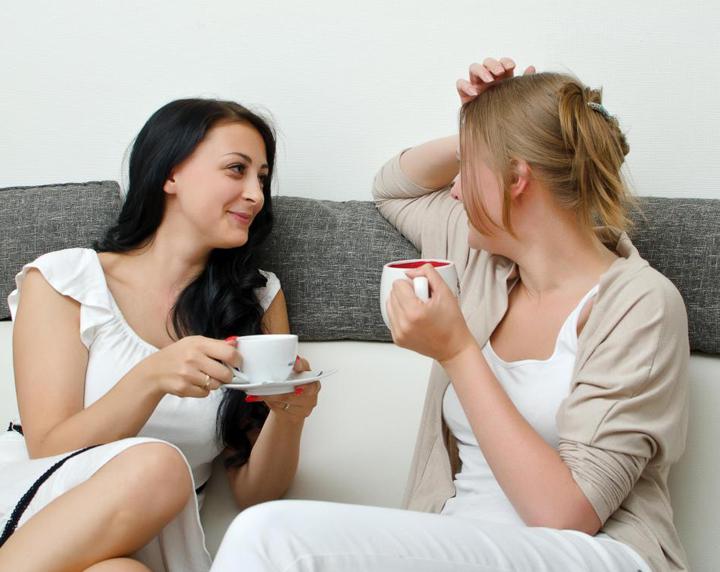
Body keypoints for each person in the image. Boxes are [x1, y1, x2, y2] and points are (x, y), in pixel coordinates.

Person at [209, 58, 689, 571]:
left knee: (269, 535)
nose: (454, 188)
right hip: (468, 542)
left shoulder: (639, 303)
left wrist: (458, 352)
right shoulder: (481, 258)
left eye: (468, 168)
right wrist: (479, 126)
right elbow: (392, 188)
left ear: (516, 178)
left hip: (592, 555)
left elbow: (567, 515)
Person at [0, 98, 321, 572]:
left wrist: (290, 418)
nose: (255, 194)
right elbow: (48, 449)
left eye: (262, 178)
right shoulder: (65, 280)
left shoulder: (256, 298)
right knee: (159, 464)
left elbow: (255, 493)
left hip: (153, 541)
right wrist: (151, 377)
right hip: (41, 515)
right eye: (237, 170)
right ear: (171, 174)